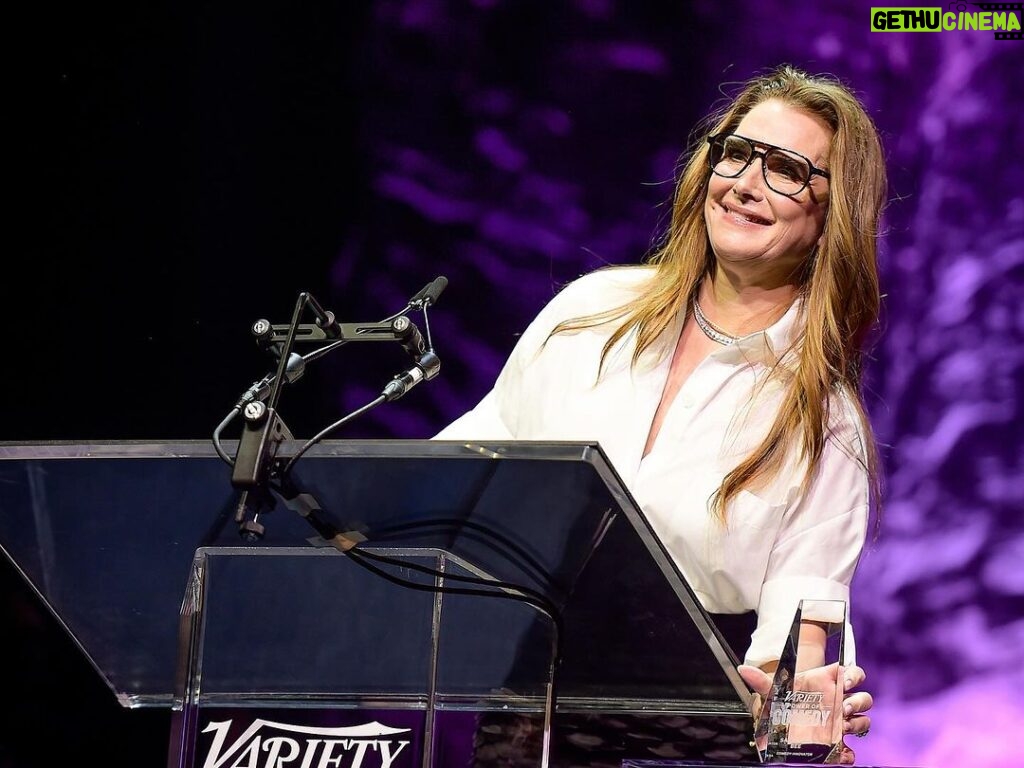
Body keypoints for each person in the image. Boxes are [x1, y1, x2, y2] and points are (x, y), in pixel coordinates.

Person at [434, 64, 885, 763]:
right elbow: (459, 477)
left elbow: (800, 627)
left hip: (693, 741)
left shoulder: (823, 421)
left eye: (787, 169)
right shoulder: (588, 317)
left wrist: (799, 715)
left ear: (832, 218)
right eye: (735, 153)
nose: (744, 183)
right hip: (536, 715)